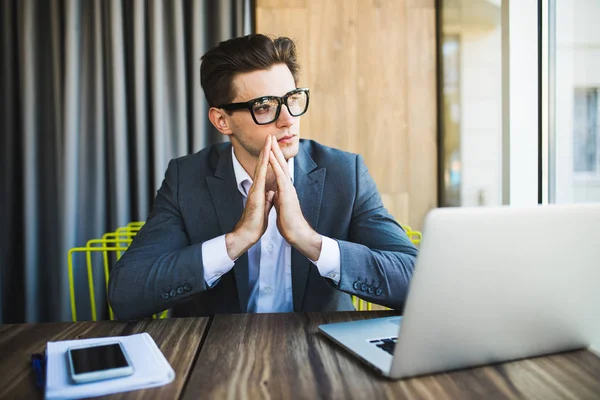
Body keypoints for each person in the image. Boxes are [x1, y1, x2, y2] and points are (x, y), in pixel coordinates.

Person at [108, 34, 418, 320]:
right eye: (265, 106)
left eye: (292, 99)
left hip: (322, 352)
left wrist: (309, 241)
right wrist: (236, 240)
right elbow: (126, 293)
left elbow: (416, 278)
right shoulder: (187, 178)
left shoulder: (344, 174)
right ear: (221, 120)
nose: (288, 120)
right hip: (213, 355)